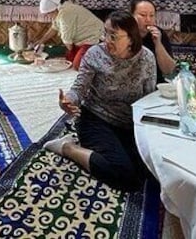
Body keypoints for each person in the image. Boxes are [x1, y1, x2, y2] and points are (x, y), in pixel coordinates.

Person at [43, 10, 156, 191]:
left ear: (131, 39)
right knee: (123, 174)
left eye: (113, 36)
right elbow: (79, 89)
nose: (106, 40)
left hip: (128, 122)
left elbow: (148, 98)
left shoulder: (147, 58)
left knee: (148, 172)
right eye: (105, 33)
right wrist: (68, 101)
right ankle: (67, 147)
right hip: (95, 118)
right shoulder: (95, 54)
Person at [32, 0, 104, 70]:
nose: (46, 16)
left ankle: (102, 55)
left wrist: (72, 53)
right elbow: (54, 27)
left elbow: (67, 40)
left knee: (78, 65)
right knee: (69, 59)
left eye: (47, 14)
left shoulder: (65, 14)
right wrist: (41, 41)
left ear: (53, 11)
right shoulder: (59, 11)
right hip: (81, 40)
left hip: (93, 37)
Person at [129, 0, 176, 83]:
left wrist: (158, 44)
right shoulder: (123, 33)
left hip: (155, 84)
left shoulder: (159, 33)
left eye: (151, 15)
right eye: (143, 15)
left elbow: (168, 70)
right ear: (131, 16)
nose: (148, 20)